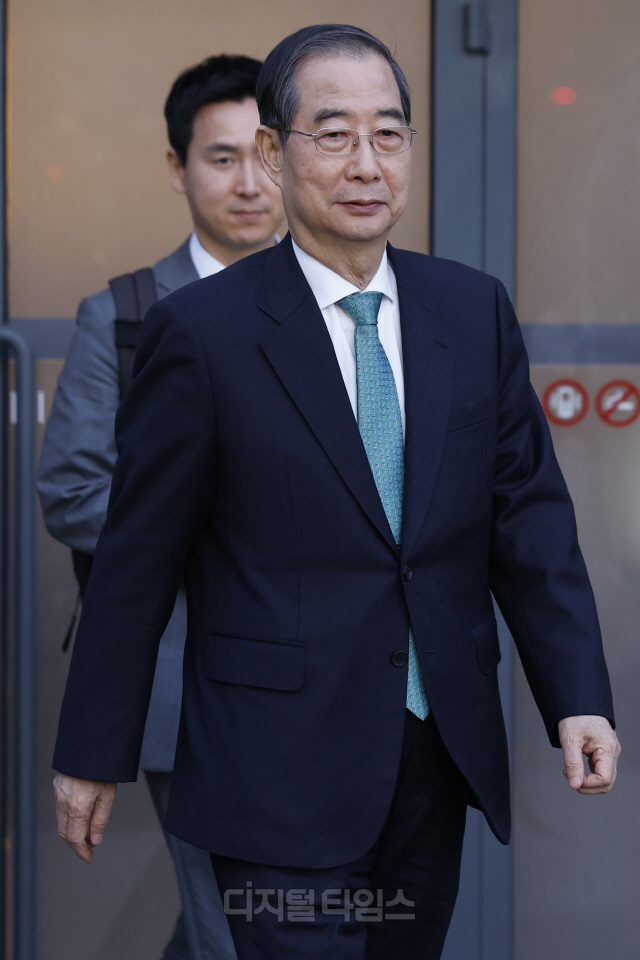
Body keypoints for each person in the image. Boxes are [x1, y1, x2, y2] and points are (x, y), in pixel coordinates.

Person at [51, 24, 620, 960]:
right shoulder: (203, 331)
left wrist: (577, 695)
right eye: (334, 134)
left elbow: (528, 517)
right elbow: (137, 560)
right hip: (276, 766)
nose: (366, 164)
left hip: (435, 757)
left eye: (388, 134)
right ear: (276, 153)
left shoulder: (469, 309)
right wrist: (92, 748)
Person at [38, 54, 284, 960]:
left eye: (266, 154)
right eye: (222, 158)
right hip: (185, 677)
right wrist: (232, 516)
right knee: (236, 925)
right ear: (178, 168)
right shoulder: (125, 316)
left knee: (275, 917)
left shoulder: (341, 305)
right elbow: (72, 493)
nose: (250, 183)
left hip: (329, 678)